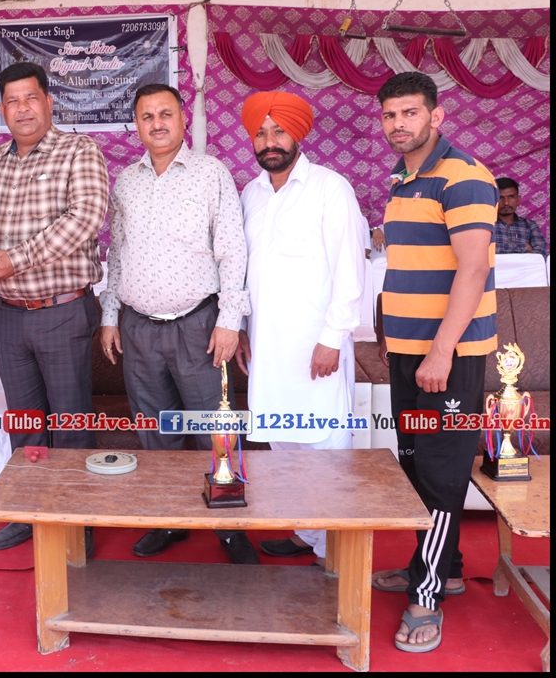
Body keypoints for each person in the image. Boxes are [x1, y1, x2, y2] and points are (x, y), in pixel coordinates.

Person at [99, 84, 257, 565]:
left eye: (165, 113)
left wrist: (229, 320)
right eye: (146, 116)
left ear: (183, 118)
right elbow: (117, 253)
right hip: (139, 328)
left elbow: (232, 249)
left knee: (214, 426)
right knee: (155, 431)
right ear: (136, 125)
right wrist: (110, 315)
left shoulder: (211, 173)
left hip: (198, 325)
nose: (157, 123)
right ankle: (168, 517)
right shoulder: (126, 181)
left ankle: (230, 526)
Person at [371, 72, 498, 653]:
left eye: (410, 113)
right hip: (408, 351)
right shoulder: (403, 179)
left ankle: (427, 596)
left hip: (449, 355)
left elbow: (473, 270)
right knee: (417, 463)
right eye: (390, 115)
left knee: (442, 471)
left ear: (436, 116)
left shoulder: (464, 177)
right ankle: (446, 568)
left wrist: (442, 349)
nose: (399, 124)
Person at [0, 62, 109, 554]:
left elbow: (86, 218)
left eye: (30, 98)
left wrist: (16, 259)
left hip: (62, 311)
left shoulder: (79, 151)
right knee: (25, 423)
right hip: (9, 314)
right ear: (2, 109)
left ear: (49, 102)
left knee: (70, 424)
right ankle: (32, 512)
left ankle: (75, 523)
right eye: (12, 100)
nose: (22, 109)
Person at [233, 91, 366, 563]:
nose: (269, 141)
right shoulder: (250, 194)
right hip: (267, 346)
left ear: (298, 135)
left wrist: (332, 340)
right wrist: (242, 327)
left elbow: (351, 271)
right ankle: (307, 532)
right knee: (283, 444)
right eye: (260, 133)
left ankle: (337, 552)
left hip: (316, 346)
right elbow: (243, 269)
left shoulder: (331, 188)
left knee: (326, 445)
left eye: (279, 131)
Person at [493, 176, 547, 255]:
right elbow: (482, 251)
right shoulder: (486, 225)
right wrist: (524, 247)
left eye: (511, 197)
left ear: (518, 199)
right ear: (492, 199)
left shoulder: (529, 225)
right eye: (500, 197)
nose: (506, 202)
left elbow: (541, 253)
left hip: (526, 264)